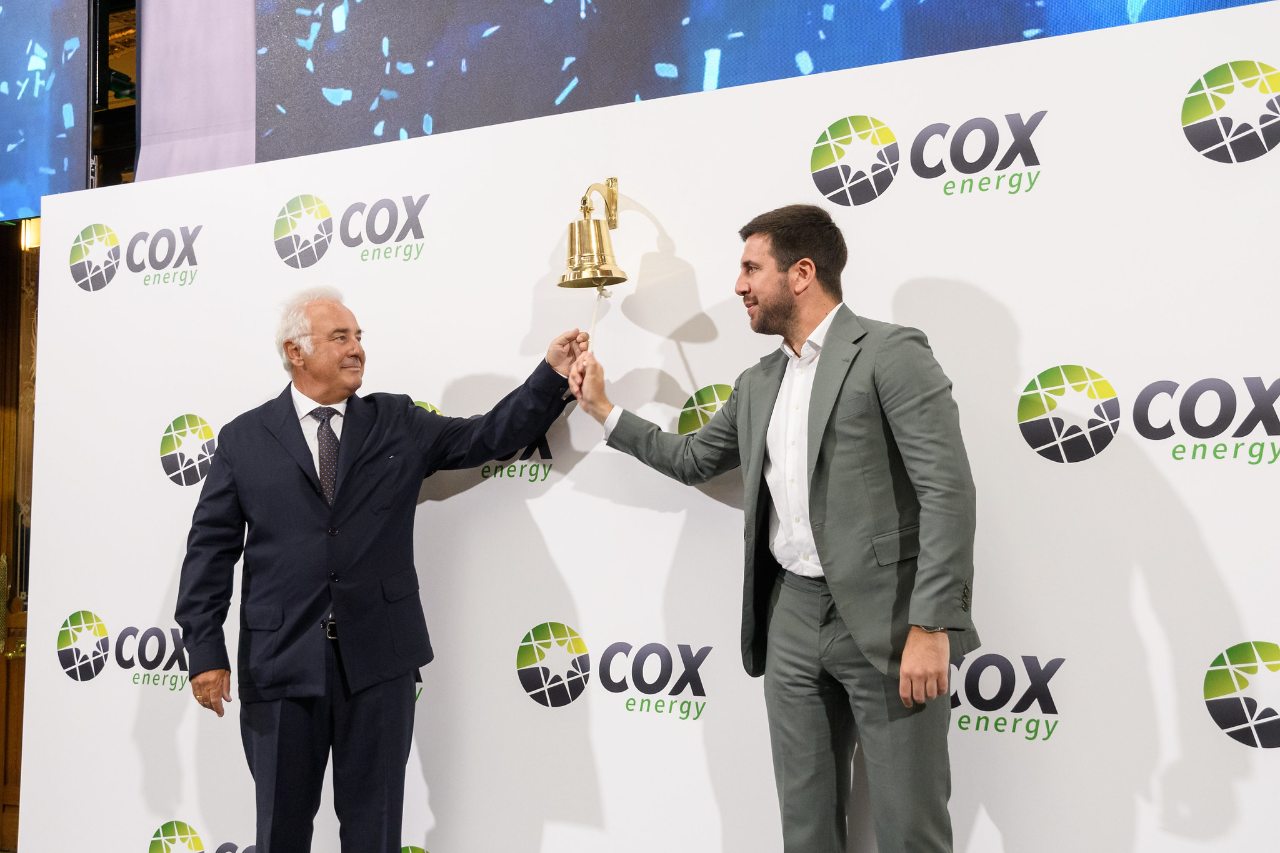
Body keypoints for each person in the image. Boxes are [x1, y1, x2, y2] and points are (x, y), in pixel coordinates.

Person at [569, 204, 979, 853]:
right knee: (805, 828)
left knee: (911, 830)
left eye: (750, 268)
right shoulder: (759, 382)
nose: (738, 286)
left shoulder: (891, 353)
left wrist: (932, 624)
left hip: (891, 619)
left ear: (802, 273)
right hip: (789, 616)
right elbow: (692, 458)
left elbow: (947, 490)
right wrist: (603, 410)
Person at [176, 287, 586, 853]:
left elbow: (485, 435)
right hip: (280, 665)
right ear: (296, 351)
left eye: (359, 337)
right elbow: (210, 552)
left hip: (379, 666)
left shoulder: (395, 420)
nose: (357, 350)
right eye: (340, 338)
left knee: (376, 831)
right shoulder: (244, 438)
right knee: (279, 831)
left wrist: (549, 376)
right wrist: (204, 652)